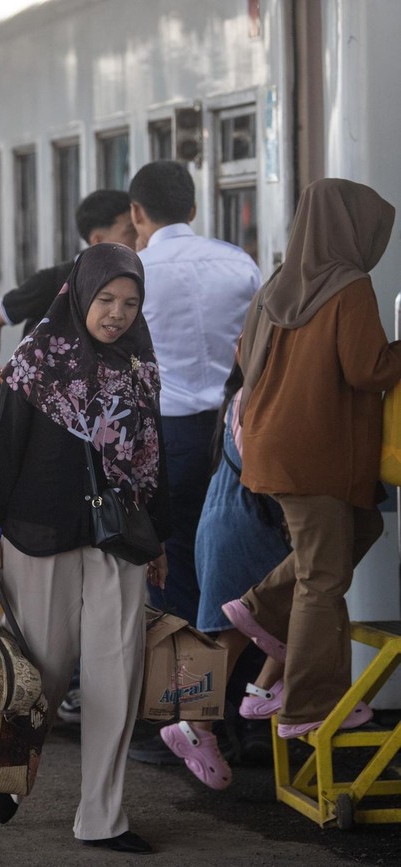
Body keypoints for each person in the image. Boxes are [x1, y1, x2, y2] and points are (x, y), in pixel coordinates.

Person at [0, 243, 170, 854]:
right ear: (81, 293)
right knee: (45, 669)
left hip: (120, 536)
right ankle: (9, 768)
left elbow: (152, 454)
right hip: (41, 531)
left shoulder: (140, 361)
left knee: (117, 673)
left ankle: (103, 819)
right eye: (107, 299)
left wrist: (157, 535)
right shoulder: (37, 358)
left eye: (130, 301)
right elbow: (5, 445)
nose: (117, 312)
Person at [223, 177, 399, 739]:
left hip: (273, 444)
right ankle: (308, 705)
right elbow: (369, 369)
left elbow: (245, 355)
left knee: (360, 528)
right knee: (323, 577)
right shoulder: (349, 286)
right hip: (316, 452)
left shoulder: (278, 284)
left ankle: (260, 607)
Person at [127, 159, 261, 765]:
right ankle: (252, 717)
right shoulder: (239, 263)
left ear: (136, 214)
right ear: (194, 207)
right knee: (248, 570)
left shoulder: (135, 270)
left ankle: (186, 721)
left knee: (179, 575)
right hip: (241, 434)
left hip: (171, 439)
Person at [158, 364, 289, 786]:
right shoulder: (257, 394)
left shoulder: (238, 397)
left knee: (221, 631)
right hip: (245, 523)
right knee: (239, 626)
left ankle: (194, 723)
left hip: (225, 517)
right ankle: (212, 717)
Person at [0, 189, 137, 355]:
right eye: (131, 231)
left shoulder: (133, 281)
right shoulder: (54, 281)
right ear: (98, 240)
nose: (139, 237)